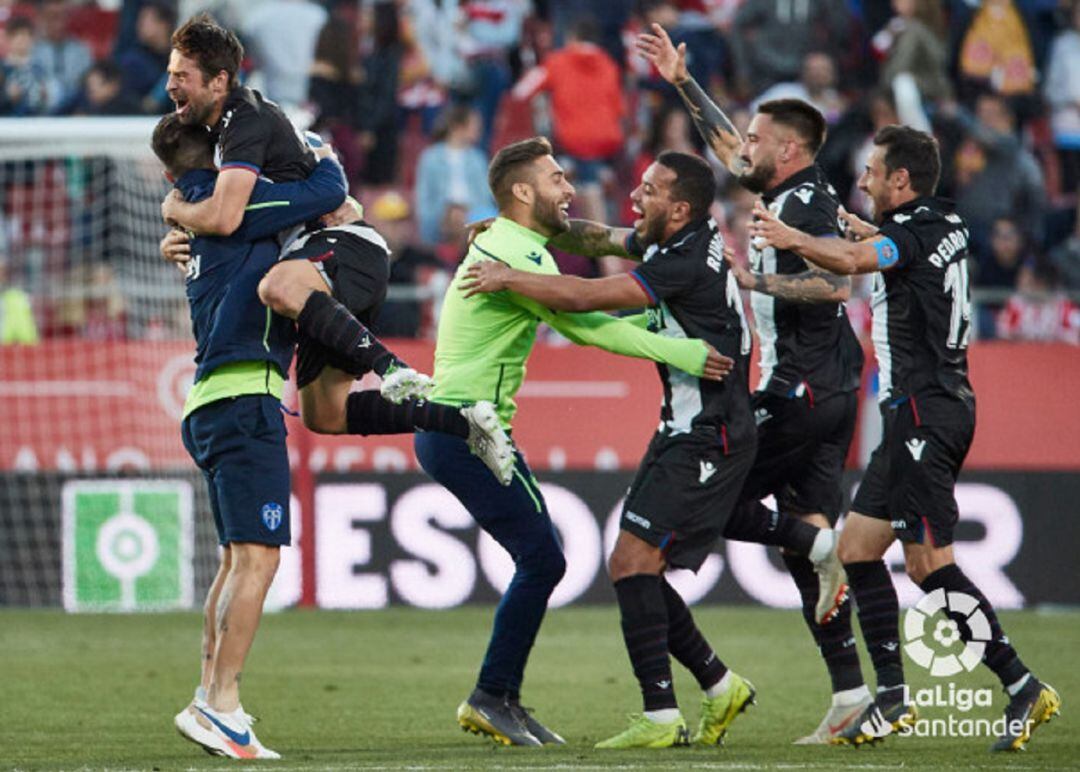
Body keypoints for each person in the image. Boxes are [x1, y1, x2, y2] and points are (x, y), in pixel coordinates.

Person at [749, 123, 1061, 751]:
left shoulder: (908, 237)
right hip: (918, 411)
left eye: (872, 171)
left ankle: (1021, 684)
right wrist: (866, 229)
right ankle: (890, 698)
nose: (862, 180)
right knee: (859, 549)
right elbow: (896, 246)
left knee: (927, 565)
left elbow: (856, 262)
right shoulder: (947, 224)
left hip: (926, 412)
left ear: (901, 180)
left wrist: (791, 238)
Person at [418, 136, 732, 747]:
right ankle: (491, 695)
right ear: (523, 191)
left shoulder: (517, 246)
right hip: (464, 428)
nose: (569, 188)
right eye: (557, 178)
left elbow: (594, 309)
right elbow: (589, 328)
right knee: (544, 559)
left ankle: (501, 694)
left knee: (542, 558)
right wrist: (683, 349)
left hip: (468, 428)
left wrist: (664, 315)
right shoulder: (514, 251)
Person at [637, 23, 869, 743]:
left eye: (759, 137)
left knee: (716, 496)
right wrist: (682, 80)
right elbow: (730, 152)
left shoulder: (800, 206)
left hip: (800, 391)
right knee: (801, 549)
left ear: (789, 149)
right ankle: (853, 694)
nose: (746, 145)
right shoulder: (797, 190)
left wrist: (753, 278)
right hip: (830, 392)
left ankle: (821, 550)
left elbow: (834, 287)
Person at [156, 15, 495, 471]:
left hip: (340, 248)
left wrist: (173, 211)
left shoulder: (242, 118)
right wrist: (181, 233)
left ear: (218, 82)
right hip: (325, 263)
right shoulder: (236, 131)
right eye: (171, 73)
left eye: (181, 75)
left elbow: (227, 215)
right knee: (325, 414)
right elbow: (307, 152)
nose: (170, 85)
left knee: (278, 288)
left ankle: (392, 369)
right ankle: (462, 418)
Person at [151, 114, 347, 761]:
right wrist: (305, 140)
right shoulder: (238, 207)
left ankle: (211, 693)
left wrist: (173, 210)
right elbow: (330, 187)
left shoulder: (197, 218)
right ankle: (220, 706)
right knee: (259, 559)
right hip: (243, 399)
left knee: (237, 559)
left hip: (210, 401)